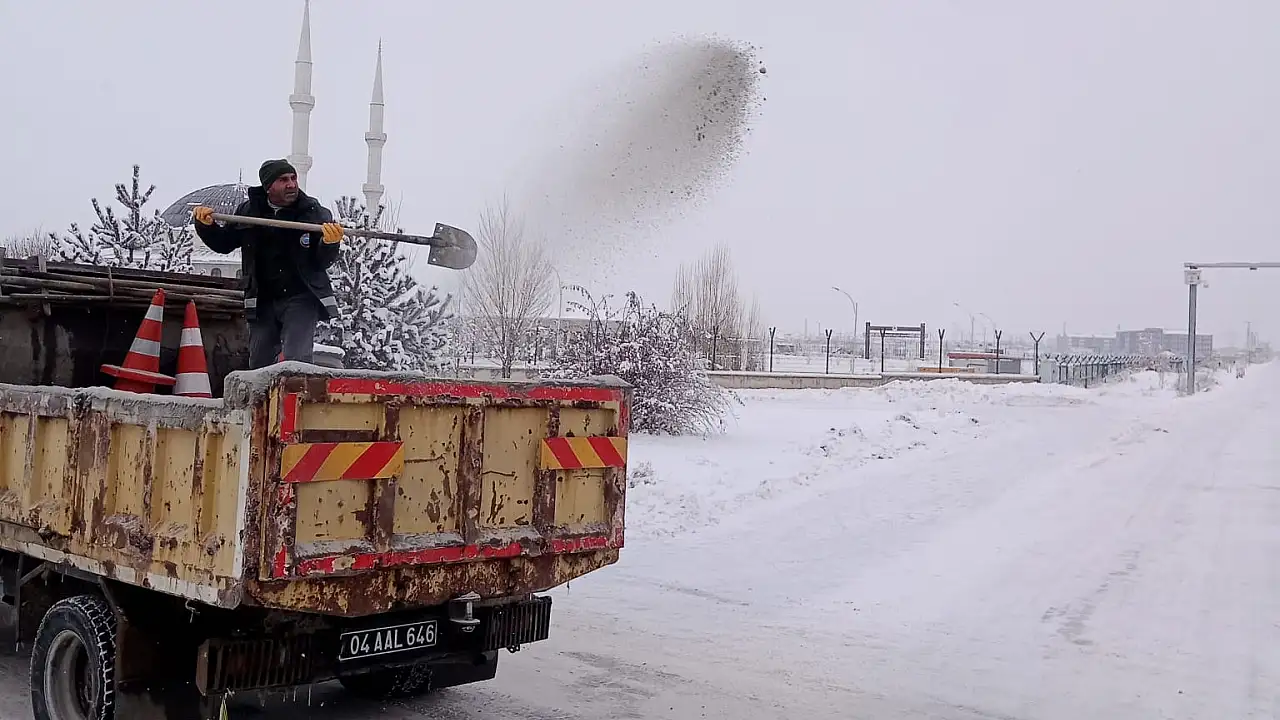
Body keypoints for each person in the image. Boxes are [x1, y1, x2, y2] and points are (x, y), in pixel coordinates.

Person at [192, 159, 344, 369]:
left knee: (296, 361)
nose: (291, 184)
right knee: (259, 361)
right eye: (283, 180)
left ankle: (295, 390)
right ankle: (262, 391)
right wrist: (206, 227)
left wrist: (329, 244)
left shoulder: (313, 213)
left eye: (293, 178)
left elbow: (321, 262)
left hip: (300, 296)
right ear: (268, 186)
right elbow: (224, 243)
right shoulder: (249, 211)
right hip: (262, 298)